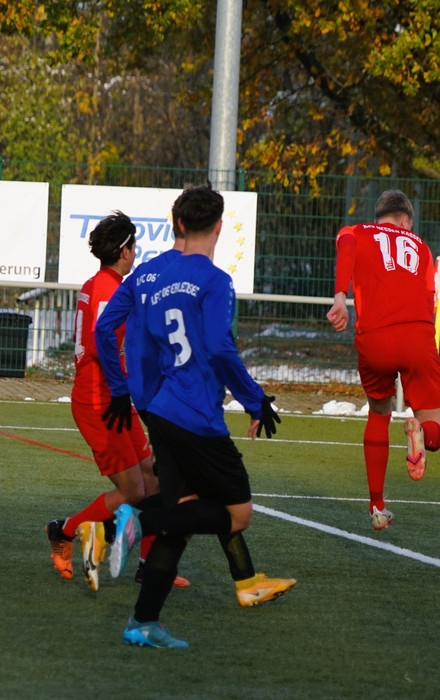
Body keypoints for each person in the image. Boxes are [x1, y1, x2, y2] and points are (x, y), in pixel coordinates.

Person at [112, 184, 295, 649]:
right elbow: (217, 346)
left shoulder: (156, 275)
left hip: (161, 407)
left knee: (185, 515)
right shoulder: (214, 280)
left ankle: (143, 621)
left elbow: (131, 336)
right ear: (218, 227)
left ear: (178, 224)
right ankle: (133, 523)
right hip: (197, 417)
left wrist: (132, 390)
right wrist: (254, 399)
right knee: (237, 515)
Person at [44, 211, 178, 593]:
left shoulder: (101, 283)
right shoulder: (108, 288)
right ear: (124, 251)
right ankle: (64, 530)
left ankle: (149, 567)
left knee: (154, 478)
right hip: (99, 400)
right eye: (134, 246)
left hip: (114, 397)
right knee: (134, 491)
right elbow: (103, 342)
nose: (136, 252)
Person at [325, 189, 440, 531]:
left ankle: (377, 505)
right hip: (416, 336)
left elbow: (346, 245)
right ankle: (421, 431)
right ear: (406, 220)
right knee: (437, 428)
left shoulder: (357, 231)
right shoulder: (422, 247)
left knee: (378, 413)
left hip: (374, 338)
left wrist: (340, 298)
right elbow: (428, 298)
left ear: (379, 216)